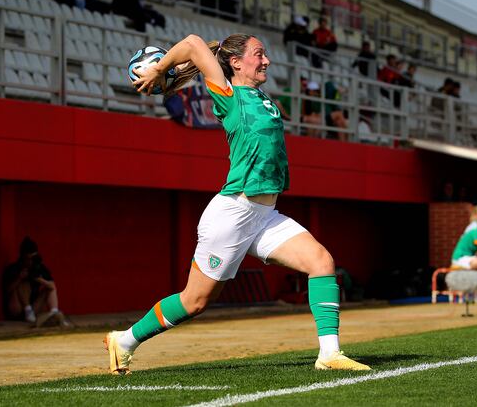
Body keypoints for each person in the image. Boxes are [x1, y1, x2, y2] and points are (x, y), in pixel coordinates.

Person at [105, 33, 370, 374]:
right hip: (232, 214)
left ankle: (330, 354)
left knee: (321, 261)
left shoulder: (261, 98)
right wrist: (160, 69)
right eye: (259, 54)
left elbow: (207, 48)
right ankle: (124, 341)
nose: (267, 61)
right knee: (194, 301)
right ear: (236, 63)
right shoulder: (227, 95)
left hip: (263, 215)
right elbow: (192, 42)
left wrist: (197, 59)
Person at [2, 237, 67, 327]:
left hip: (34, 310)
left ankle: (54, 314)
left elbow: (52, 286)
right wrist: (19, 278)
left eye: (33, 258)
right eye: (28, 259)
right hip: (17, 309)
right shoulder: (14, 268)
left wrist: (40, 280)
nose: (30, 261)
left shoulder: (39, 268)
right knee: (24, 283)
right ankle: (27, 310)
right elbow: (6, 292)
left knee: (49, 287)